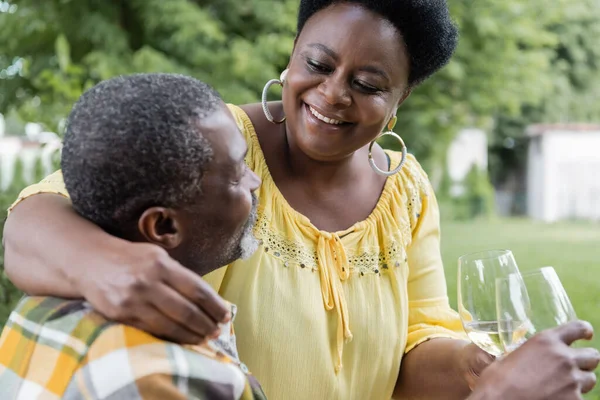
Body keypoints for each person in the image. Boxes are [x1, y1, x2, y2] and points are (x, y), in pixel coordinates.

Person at [4, 1, 597, 399]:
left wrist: (478, 370)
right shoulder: (215, 147)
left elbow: (416, 345)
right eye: (317, 64)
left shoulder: (405, 188)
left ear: (400, 100)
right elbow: (35, 220)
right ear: (290, 58)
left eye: (367, 86)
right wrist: (101, 262)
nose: (333, 95)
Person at [0, 73, 266, 400]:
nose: (255, 182)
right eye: (238, 172)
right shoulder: (170, 378)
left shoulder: (36, 312)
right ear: (164, 227)